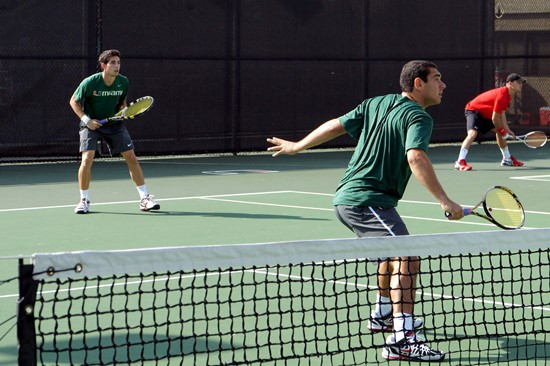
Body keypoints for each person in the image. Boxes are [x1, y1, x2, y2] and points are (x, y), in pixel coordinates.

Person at [267, 60, 463, 362]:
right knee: (408, 257)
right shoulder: (419, 117)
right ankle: (403, 339)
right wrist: (445, 201)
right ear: (418, 84)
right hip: (364, 200)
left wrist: (297, 146)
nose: (444, 85)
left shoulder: (376, 103)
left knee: (391, 254)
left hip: (358, 198)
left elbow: (337, 124)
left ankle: (384, 313)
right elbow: (415, 157)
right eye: (437, 78)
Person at [69, 49, 160, 214]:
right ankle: (83, 200)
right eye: (112, 63)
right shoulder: (90, 82)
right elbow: (74, 101)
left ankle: (145, 198)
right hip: (90, 124)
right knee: (87, 159)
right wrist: (86, 120)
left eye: (118, 62)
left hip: (114, 124)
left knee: (131, 157)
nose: (116, 66)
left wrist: (123, 111)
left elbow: (122, 102)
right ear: (104, 65)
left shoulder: (123, 82)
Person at [454, 73, 527, 171]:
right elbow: (495, 118)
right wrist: (502, 131)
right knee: (472, 133)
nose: (521, 84)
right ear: (510, 83)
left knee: (500, 133)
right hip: (474, 110)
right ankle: (460, 162)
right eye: (518, 82)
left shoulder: (508, 96)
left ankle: (507, 159)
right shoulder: (502, 94)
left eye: (521, 82)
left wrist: (507, 130)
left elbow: (502, 114)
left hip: (486, 114)